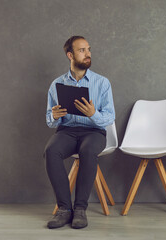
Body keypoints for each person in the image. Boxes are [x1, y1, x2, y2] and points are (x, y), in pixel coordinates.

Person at [44, 36, 115, 229]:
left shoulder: (102, 83)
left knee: (87, 151)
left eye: (88, 49)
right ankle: (65, 209)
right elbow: (50, 121)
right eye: (82, 50)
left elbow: (110, 117)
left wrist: (94, 114)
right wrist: (55, 115)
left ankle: (81, 209)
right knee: (51, 151)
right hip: (67, 131)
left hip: (93, 132)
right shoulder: (56, 84)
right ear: (70, 55)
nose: (88, 54)